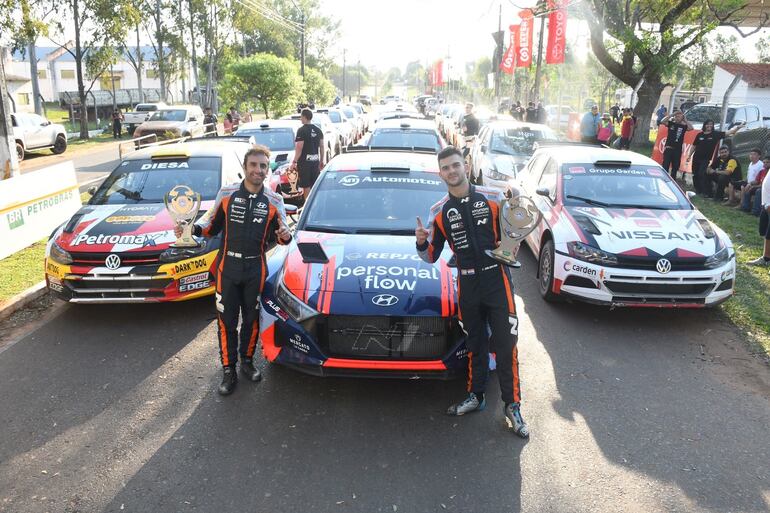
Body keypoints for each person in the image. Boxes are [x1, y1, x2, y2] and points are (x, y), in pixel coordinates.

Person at [414, 146, 528, 438]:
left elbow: (513, 234)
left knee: (505, 344)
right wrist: (420, 242)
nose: (451, 171)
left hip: (496, 280)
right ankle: (476, 396)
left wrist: (513, 240)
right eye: (446, 168)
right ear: (441, 174)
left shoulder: (492, 197)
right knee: (474, 344)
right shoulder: (438, 212)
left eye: (455, 166)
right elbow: (430, 256)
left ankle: (512, 406)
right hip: (467, 285)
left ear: (465, 165)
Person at [182, 145, 292, 395]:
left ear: (268, 170)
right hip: (227, 268)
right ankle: (228, 369)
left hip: (256, 268)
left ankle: (247, 362)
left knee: (252, 320)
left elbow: (285, 236)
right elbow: (208, 224)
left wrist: (286, 234)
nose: (258, 170)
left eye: (263, 166)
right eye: (253, 165)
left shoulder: (275, 200)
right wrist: (190, 230)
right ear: (245, 167)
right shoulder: (227, 193)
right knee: (226, 322)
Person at [686, 119, 744, 196]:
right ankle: (698, 190)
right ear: (704, 125)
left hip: (705, 159)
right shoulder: (699, 135)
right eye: (707, 124)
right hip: (696, 158)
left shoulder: (715, 134)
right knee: (695, 174)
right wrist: (689, 155)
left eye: (711, 124)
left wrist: (737, 128)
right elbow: (694, 146)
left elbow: (729, 132)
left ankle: (705, 191)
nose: (709, 126)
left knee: (702, 174)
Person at [290, 108, 324, 200]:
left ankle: (307, 206)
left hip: (305, 163)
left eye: (301, 117)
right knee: (315, 184)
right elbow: (322, 146)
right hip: (315, 162)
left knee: (306, 186)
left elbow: (299, 147)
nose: (300, 119)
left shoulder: (301, 130)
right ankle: (315, 204)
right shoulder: (318, 130)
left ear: (304, 117)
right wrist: (321, 160)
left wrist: (294, 161)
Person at [748, 157, 770, 266]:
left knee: (769, 233)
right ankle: (766, 257)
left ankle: (766, 259)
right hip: (765, 205)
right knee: (765, 231)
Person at [659, 110, 693, 181]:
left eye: (679, 117)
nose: (678, 118)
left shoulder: (683, 126)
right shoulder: (671, 124)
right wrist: (672, 114)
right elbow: (662, 121)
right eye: (676, 116)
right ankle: (664, 179)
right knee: (665, 165)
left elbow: (691, 128)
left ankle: (672, 181)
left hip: (677, 150)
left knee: (675, 167)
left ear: (682, 118)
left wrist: (685, 120)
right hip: (669, 148)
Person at [736, 149, 766, 214]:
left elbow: (759, 181)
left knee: (744, 188)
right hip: (751, 182)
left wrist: (751, 184)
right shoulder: (750, 163)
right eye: (751, 154)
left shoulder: (761, 165)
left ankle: (743, 205)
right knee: (733, 183)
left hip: (758, 185)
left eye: (754, 154)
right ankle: (743, 206)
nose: (752, 156)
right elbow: (752, 176)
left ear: (759, 156)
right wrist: (747, 181)